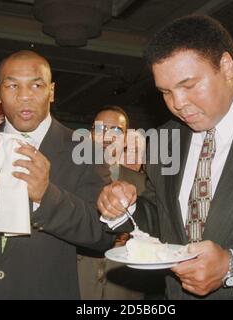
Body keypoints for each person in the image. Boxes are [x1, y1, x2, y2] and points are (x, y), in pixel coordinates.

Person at [97, 15, 233, 300]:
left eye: (188, 85)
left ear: (226, 67)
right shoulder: (166, 138)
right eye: (166, 92)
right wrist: (123, 208)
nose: (178, 104)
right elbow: (161, 219)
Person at [0, 50, 112, 300]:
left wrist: (46, 196)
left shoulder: (86, 150)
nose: (24, 96)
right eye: (12, 85)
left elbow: (103, 235)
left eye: (36, 85)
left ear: (51, 91)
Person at [78, 106, 159, 300]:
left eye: (115, 130)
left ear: (124, 140)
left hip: (126, 288)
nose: (106, 137)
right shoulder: (71, 177)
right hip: (78, 282)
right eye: (99, 129)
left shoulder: (143, 183)